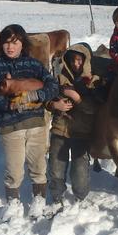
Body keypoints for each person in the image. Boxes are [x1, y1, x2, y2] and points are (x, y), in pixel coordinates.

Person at [0, 24, 59, 219]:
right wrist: (8, 105)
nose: (10, 47)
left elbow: (53, 86)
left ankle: (39, 199)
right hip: (10, 125)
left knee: (38, 165)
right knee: (14, 168)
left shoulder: (33, 64)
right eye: (7, 42)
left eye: (14, 42)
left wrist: (35, 95)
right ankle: (13, 202)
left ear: (22, 43)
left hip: (35, 122)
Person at [46, 42, 101, 208]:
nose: (76, 64)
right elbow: (46, 98)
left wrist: (76, 98)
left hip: (82, 132)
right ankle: (57, 198)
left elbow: (94, 109)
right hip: (59, 129)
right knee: (55, 168)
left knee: (80, 172)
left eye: (79, 60)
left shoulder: (93, 80)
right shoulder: (58, 77)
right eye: (73, 60)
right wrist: (54, 105)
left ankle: (81, 197)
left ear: (85, 61)